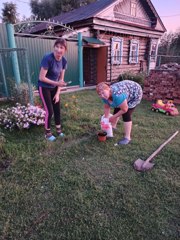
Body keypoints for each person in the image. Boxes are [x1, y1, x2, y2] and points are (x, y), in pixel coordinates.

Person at [38, 38, 67, 141]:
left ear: (65, 50)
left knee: (57, 109)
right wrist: (56, 83)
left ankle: (58, 130)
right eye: (57, 47)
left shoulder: (64, 61)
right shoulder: (48, 58)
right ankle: (47, 133)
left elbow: (61, 79)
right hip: (44, 87)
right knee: (49, 111)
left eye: (61, 47)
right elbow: (41, 77)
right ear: (54, 47)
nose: (59, 50)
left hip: (55, 88)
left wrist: (58, 93)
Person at [96, 80, 143, 145]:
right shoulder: (104, 96)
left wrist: (112, 117)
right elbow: (107, 107)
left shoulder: (118, 95)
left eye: (103, 93)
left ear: (109, 89)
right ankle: (113, 126)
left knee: (126, 114)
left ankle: (127, 137)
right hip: (124, 90)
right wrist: (106, 119)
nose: (102, 95)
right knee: (117, 107)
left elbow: (124, 109)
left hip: (135, 91)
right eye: (100, 94)